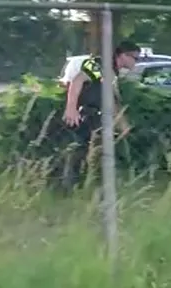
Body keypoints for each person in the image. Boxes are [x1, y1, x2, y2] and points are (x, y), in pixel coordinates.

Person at [57, 40, 140, 191]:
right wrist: (71, 109)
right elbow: (78, 81)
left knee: (93, 151)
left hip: (95, 116)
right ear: (123, 55)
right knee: (78, 151)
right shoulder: (100, 65)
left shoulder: (112, 71)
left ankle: (88, 185)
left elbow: (110, 99)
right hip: (82, 114)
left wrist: (123, 125)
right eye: (135, 58)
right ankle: (67, 186)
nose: (136, 62)